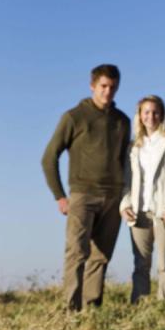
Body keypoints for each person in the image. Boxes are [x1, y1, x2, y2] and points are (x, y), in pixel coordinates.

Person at [42, 64, 130, 311]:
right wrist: (59, 195)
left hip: (113, 196)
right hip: (82, 194)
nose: (108, 92)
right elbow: (49, 157)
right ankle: (70, 310)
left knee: (101, 255)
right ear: (92, 86)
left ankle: (92, 309)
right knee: (77, 252)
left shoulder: (122, 121)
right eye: (103, 86)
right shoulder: (74, 117)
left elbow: (125, 162)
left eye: (113, 87)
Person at [119, 95, 165, 302]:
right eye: (146, 112)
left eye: (155, 112)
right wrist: (125, 205)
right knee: (140, 263)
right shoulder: (134, 146)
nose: (151, 116)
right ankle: (139, 305)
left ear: (162, 114)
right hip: (139, 211)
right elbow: (126, 180)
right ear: (140, 116)